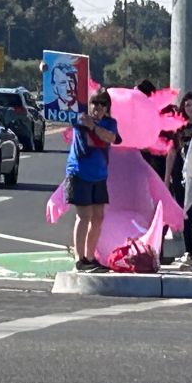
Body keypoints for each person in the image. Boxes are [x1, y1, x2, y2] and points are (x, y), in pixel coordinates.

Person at [65, 91, 121, 273]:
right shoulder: (80, 120)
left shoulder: (110, 123)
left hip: (100, 175)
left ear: (107, 107)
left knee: (98, 217)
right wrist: (94, 130)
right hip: (80, 172)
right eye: (94, 103)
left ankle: (90, 257)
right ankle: (79, 259)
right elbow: (91, 142)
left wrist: (95, 128)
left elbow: (111, 138)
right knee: (84, 216)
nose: (98, 107)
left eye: (102, 104)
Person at [165, 92, 192, 264]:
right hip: (180, 174)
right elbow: (172, 152)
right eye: (188, 105)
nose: (191, 109)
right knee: (186, 214)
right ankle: (189, 250)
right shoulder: (178, 127)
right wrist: (167, 177)